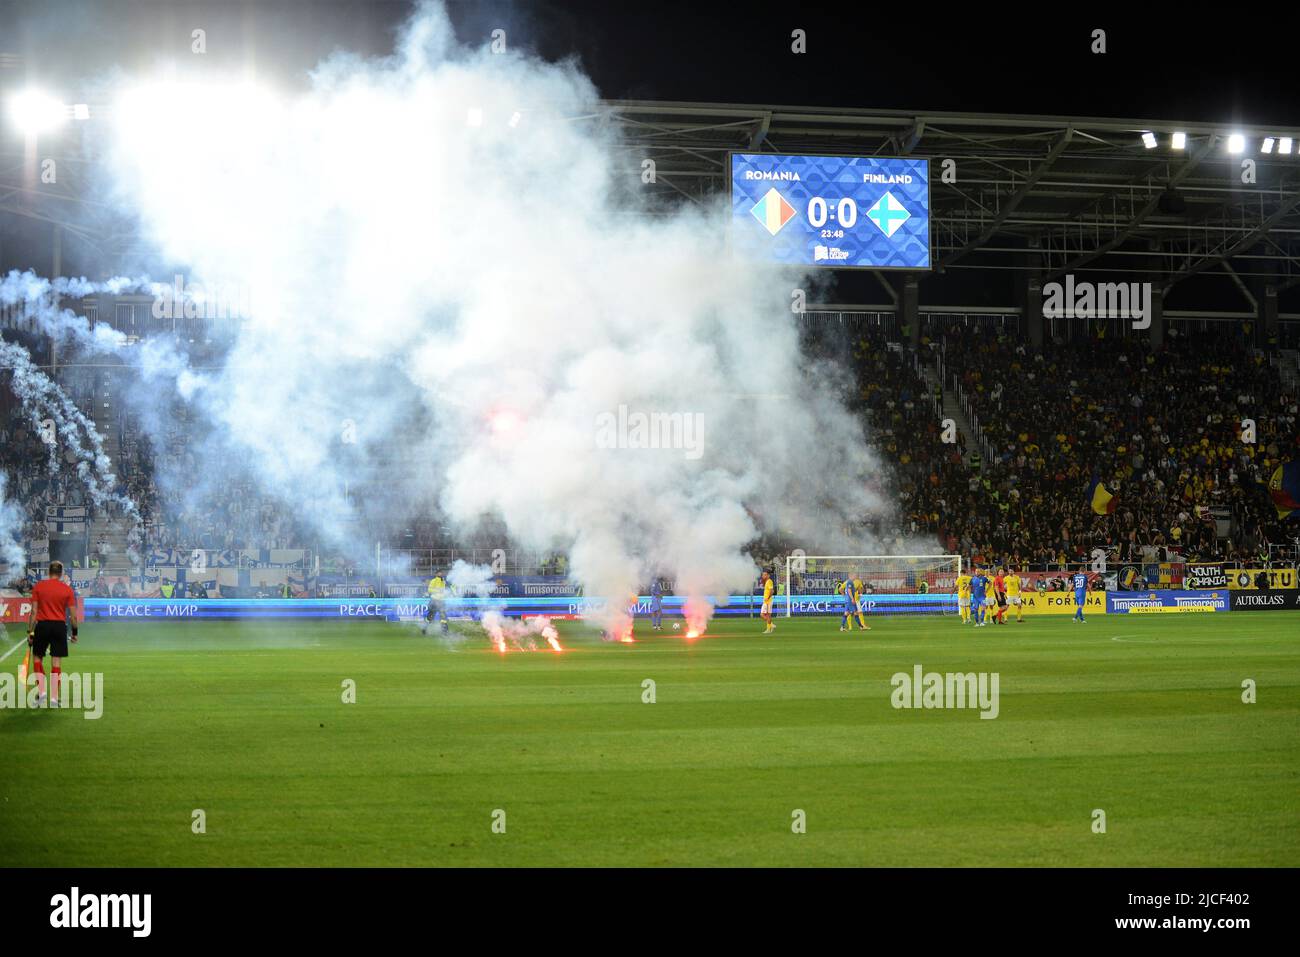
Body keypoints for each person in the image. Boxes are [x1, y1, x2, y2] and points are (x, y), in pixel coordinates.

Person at [25, 561, 79, 707]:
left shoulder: (39, 586)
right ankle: (54, 698)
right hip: (59, 627)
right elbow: (73, 615)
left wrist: (30, 633)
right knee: (56, 661)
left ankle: (42, 691)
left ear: (49, 572)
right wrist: (74, 633)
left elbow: (34, 612)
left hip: (42, 626)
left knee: (37, 658)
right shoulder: (67, 590)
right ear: (61, 573)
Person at [423, 571, 448, 636]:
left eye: (441, 573)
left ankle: (444, 631)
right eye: (439, 573)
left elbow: (444, 590)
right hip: (434, 601)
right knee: (430, 617)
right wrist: (438, 591)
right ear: (436, 574)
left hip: (441, 601)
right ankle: (425, 628)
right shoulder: (433, 581)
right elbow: (429, 590)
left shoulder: (443, 581)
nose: (441, 574)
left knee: (443, 616)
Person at [759, 570, 775, 634]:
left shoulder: (769, 581)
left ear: (768, 575)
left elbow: (772, 591)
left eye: (765, 574)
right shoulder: (767, 582)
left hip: (767, 602)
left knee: (762, 615)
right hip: (767, 601)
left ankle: (771, 625)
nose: (763, 576)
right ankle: (769, 629)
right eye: (763, 574)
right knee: (768, 616)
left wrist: (767, 598)